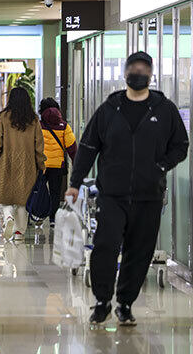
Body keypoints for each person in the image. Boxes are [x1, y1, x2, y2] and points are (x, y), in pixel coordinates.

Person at [66, 51, 189, 326]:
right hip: (112, 193)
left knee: (140, 251)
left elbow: (181, 145)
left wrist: (161, 167)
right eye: (134, 68)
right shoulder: (110, 109)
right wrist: (75, 183)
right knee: (105, 246)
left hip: (149, 194)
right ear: (125, 73)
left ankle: (125, 303)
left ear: (151, 73)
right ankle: (101, 301)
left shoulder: (164, 109)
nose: (138, 73)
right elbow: (87, 147)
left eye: (144, 69)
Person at [0, 87, 46, 241]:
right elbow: (39, 145)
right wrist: (41, 163)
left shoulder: (3, 117)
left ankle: (9, 217)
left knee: (6, 197)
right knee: (23, 200)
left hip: (6, 161)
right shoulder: (34, 119)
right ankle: (19, 233)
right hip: (28, 164)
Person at [39, 99, 77, 227]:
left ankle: (39, 214)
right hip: (58, 165)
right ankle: (53, 218)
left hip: (41, 165)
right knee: (55, 192)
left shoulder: (38, 126)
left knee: (39, 190)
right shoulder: (64, 126)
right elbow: (72, 147)